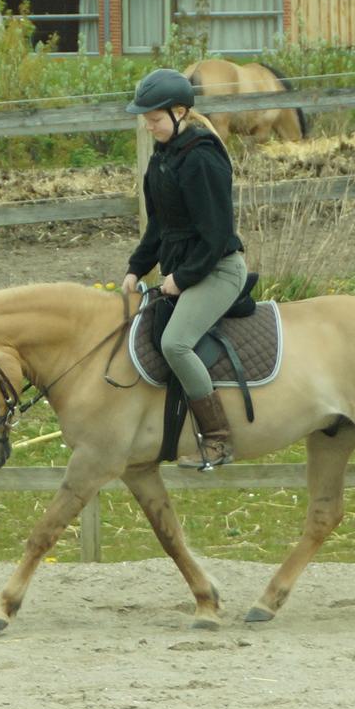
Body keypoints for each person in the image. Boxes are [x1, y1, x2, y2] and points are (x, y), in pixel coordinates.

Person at [122, 68, 248, 469]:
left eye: (155, 119)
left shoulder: (202, 159)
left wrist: (181, 278)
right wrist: (136, 268)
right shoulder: (163, 158)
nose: (149, 125)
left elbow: (215, 235)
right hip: (186, 269)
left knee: (174, 342)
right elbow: (161, 226)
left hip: (218, 269)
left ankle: (218, 439)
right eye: (146, 119)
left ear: (180, 112)